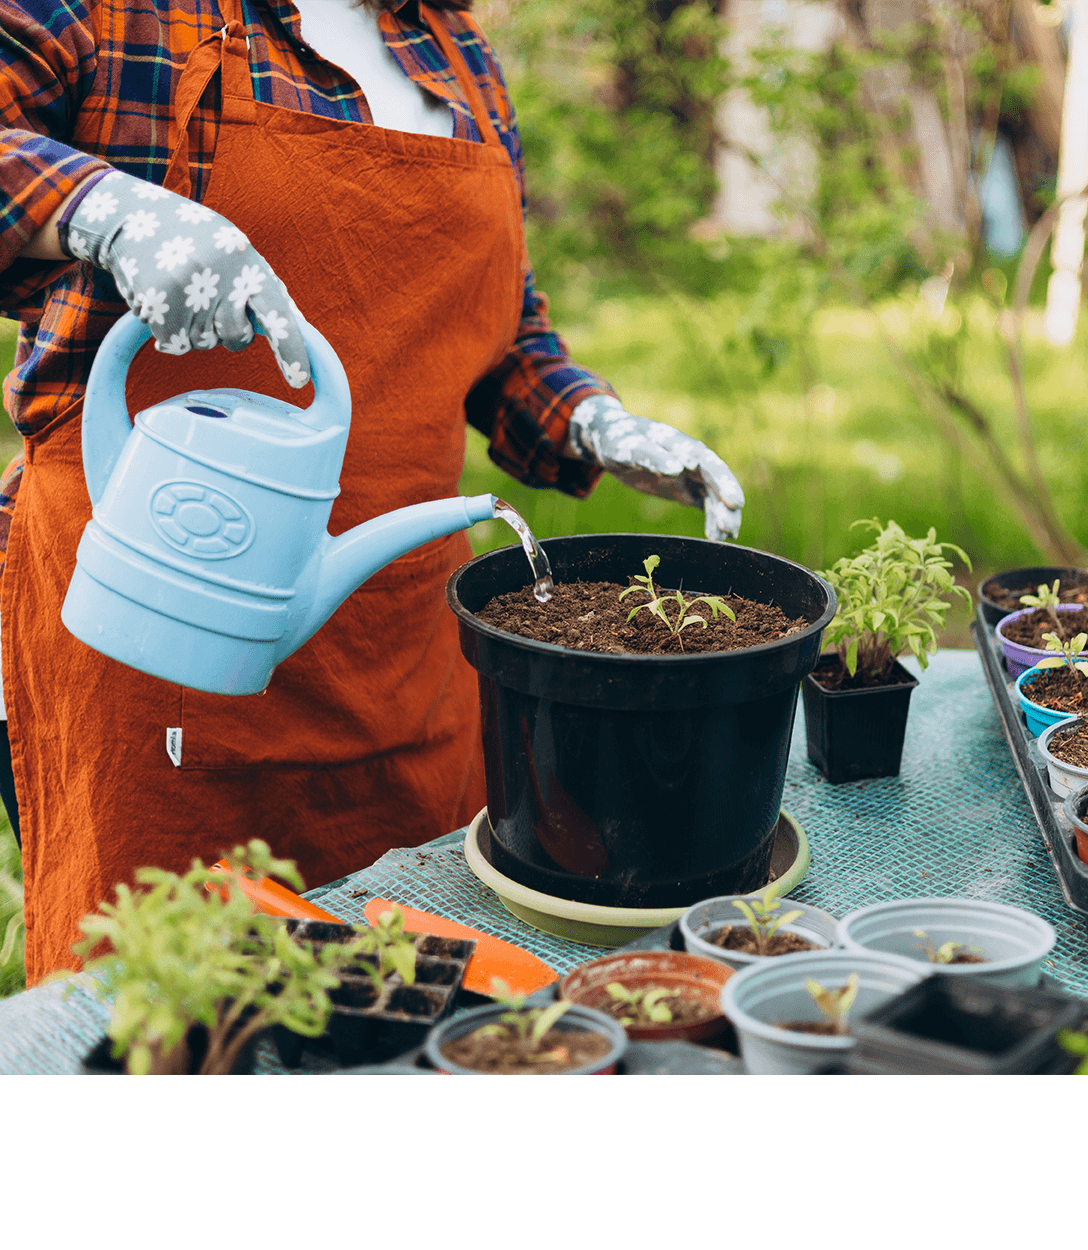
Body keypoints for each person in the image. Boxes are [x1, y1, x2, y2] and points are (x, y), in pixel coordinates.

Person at [0, 0, 745, 981]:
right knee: (170, 1004)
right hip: (165, 614)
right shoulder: (119, 14)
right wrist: (106, 206)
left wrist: (589, 421)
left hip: (400, 644)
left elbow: (497, 328)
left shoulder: (453, 51)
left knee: (432, 982)